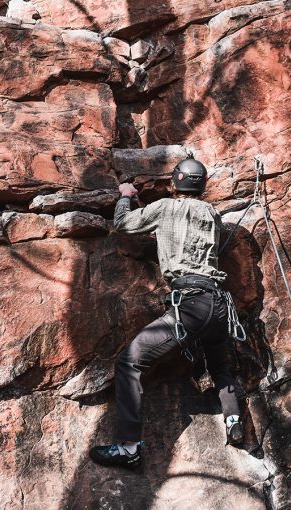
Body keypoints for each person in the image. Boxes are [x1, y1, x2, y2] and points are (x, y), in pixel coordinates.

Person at [88, 157, 244, 469]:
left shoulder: (166, 208)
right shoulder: (211, 213)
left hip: (190, 303)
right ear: (201, 185)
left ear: (176, 182)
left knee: (130, 361)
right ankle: (233, 419)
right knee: (219, 363)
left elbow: (125, 224)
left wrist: (125, 196)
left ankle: (128, 448)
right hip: (218, 305)